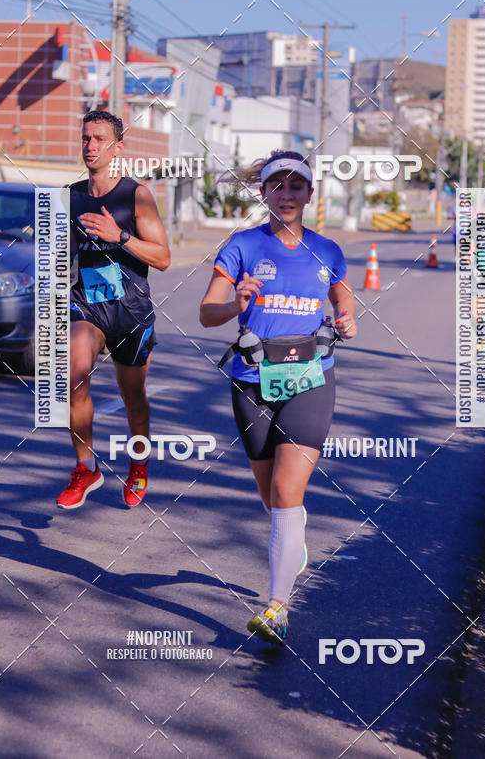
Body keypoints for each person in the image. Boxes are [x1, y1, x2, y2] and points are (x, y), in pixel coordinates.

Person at [199, 150, 356, 644]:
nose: (286, 195)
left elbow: (342, 293)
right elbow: (207, 312)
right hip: (252, 381)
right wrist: (234, 305)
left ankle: (276, 608)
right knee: (273, 498)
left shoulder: (326, 251)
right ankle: (293, 537)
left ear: (311, 194)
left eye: (296, 186)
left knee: (288, 492)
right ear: (264, 193)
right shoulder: (243, 246)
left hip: (311, 377)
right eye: (277, 186)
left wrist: (348, 317)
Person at [56, 110, 170, 510]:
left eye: (99, 139)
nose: (90, 146)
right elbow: (60, 255)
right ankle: (85, 467)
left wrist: (120, 236)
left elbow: (163, 258)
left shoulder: (135, 195)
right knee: (72, 375)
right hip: (88, 308)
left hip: (131, 314)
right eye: (85, 138)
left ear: (118, 147)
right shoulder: (70, 196)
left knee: (134, 398)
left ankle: (138, 464)